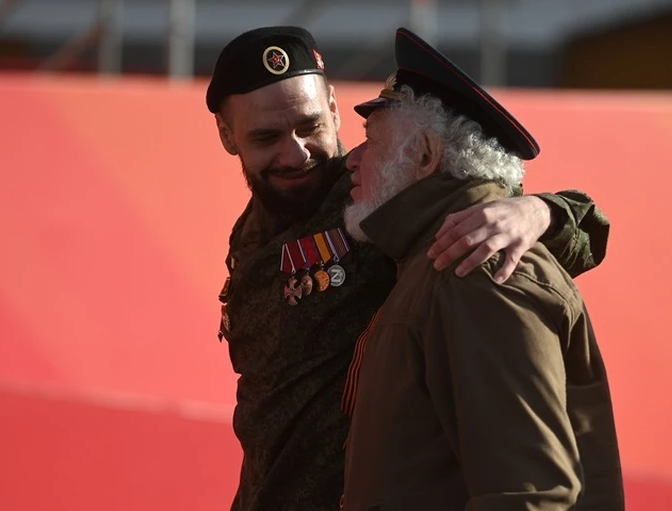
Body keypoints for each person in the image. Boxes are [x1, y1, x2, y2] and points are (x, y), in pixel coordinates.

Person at [205, 26, 613, 511]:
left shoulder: (376, 197)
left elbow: (479, 205)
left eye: (310, 126)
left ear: (333, 108)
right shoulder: (249, 234)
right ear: (228, 135)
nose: (295, 153)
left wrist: (542, 211)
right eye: (267, 137)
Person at [340, 27, 624, 511]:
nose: (352, 160)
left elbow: (529, 497)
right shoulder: (437, 259)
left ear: (425, 155)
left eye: (371, 141)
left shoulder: (477, 268)